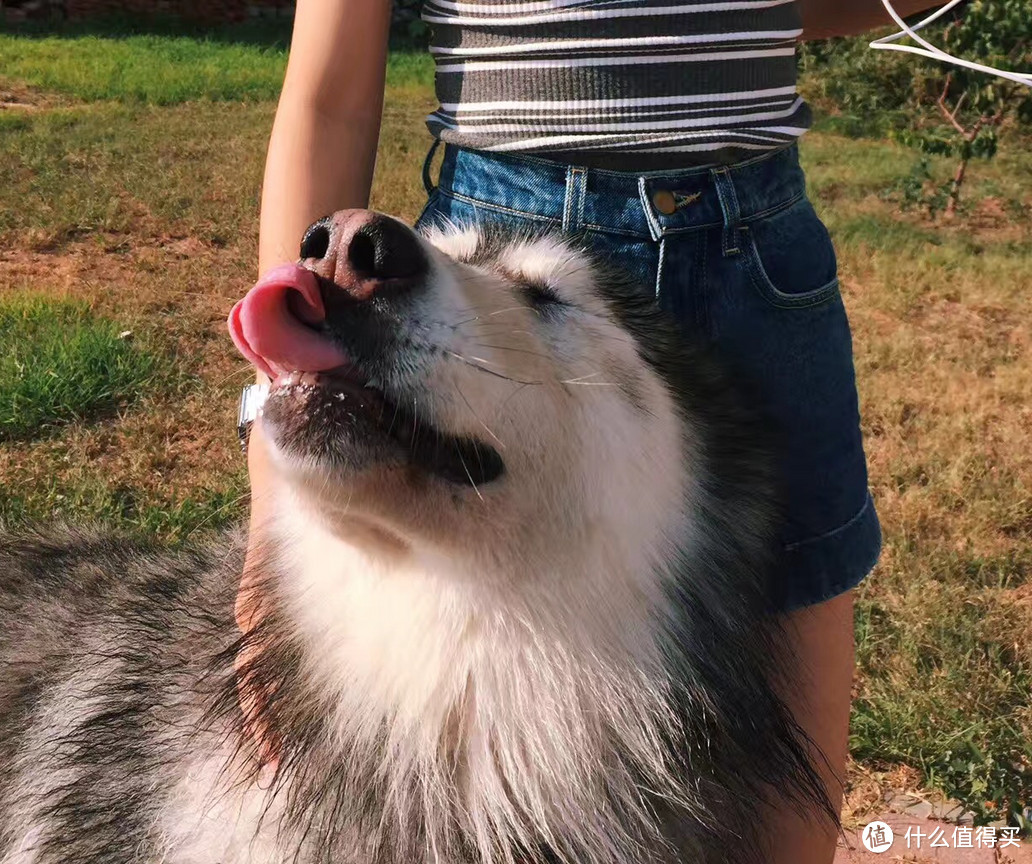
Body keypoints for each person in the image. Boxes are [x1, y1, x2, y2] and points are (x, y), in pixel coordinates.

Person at [239, 1, 940, 861]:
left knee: (796, 611)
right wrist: (274, 512)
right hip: (499, 255)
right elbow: (327, 96)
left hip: (753, 252)